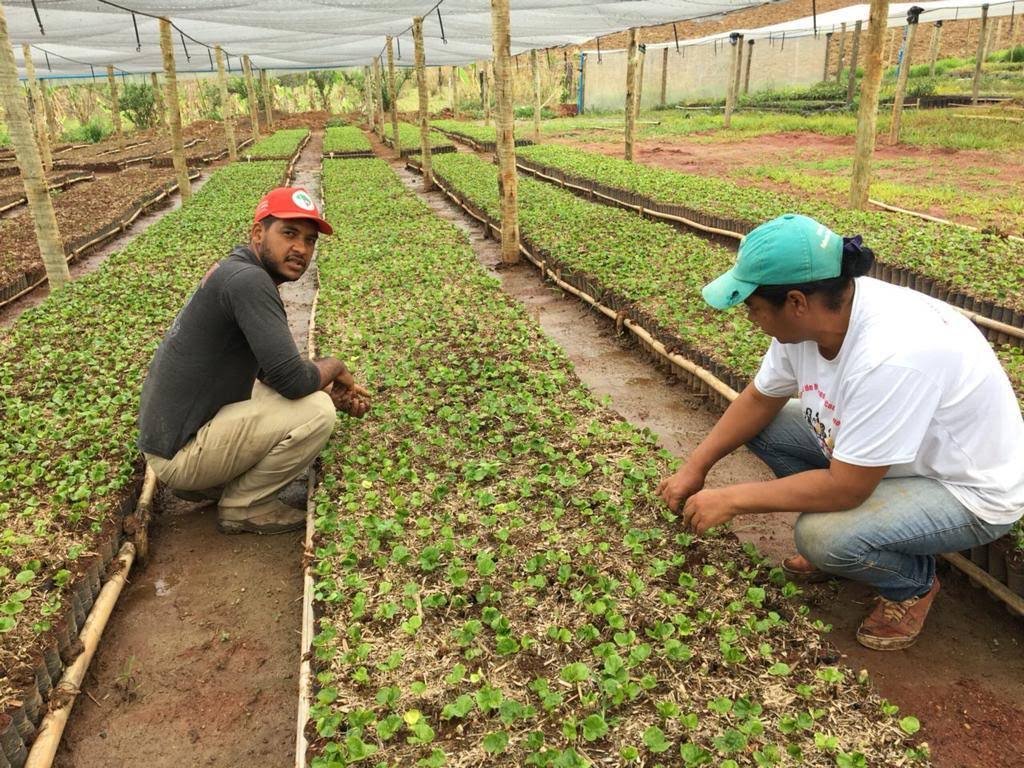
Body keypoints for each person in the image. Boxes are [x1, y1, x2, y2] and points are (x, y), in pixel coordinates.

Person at [657, 213, 1024, 650]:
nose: (749, 317)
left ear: (796, 302)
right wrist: (696, 468)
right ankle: (863, 544)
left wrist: (731, 498)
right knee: (767, 427)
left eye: (752, 306)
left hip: (966, 490)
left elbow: (847, 488)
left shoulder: (892, 353)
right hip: (894, 458)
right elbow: (759, 399)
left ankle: (912, 585)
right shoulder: (814, 322)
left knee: (820, 537)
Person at [137, 187, 370, 535]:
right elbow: (292, 380)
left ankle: (217, 484)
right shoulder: (249, 282)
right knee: (317, 412)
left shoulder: (239, 270)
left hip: (172, 443)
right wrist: (334, 368)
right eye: (288, 233)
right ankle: (243, 507)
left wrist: (319, 385)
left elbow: (272, 373)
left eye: (309, 240)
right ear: (258, 233)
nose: (301, 249)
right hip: (180, 456)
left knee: (307, 397)